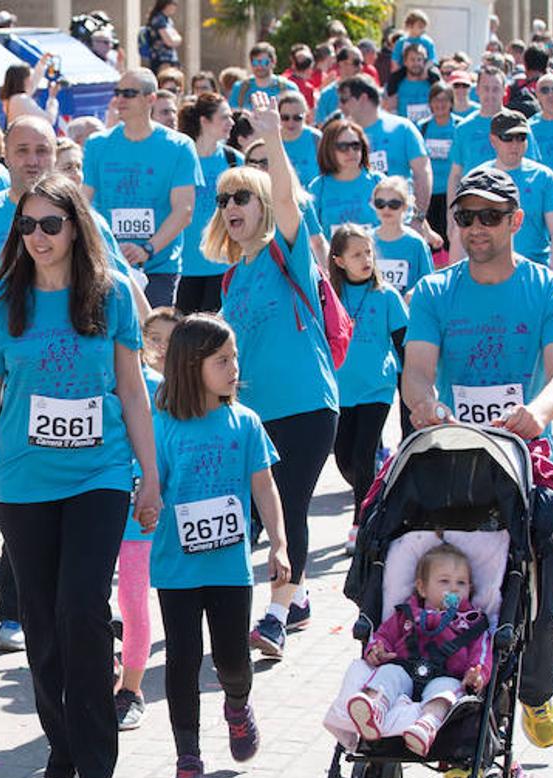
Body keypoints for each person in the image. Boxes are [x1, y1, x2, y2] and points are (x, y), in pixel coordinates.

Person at [0, 172, 158, 778]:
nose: (37, 236)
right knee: (41, 624)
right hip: (23, 482)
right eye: (26, 226)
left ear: (76, 228)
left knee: (82, 610)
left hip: (100, 475)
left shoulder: (110, 294)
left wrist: (150, 473)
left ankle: (95, 769)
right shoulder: (3, 299)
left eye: (50, 224)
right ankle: (60, 756)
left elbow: (133, 389)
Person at [403, 165, 553, 750]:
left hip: (526, 456)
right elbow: (417, 372)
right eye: (466, 216)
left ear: (516, 221)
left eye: (490, 217)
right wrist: (424, 403)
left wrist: (539, 414)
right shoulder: (433, 291)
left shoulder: (549, 289)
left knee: (544, 579)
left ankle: (537, 688)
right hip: (458, 455)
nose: (476, 227)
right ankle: (460, 720)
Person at [204, 95, 338, 658]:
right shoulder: (231, 280)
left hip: (307, 405)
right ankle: (298, 595)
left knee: (288, 504)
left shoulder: (288, 252)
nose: (232, 204)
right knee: (255, 511)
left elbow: (286, 195)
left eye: (242, 196)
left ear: (259, 205)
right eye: (224, 198)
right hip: (254, 417)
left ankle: (278, 613)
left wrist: (273, 140)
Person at [149, 313, 285, 778]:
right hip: (176, 567)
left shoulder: (244, 422)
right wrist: (143, 502)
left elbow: (264, 486)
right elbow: (151, 486)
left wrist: (281, 544)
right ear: (191, 365)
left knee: (231, 657)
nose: (234, 368)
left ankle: (237, 703)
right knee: (182, 660)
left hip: (229, 566)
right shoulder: (161, 426)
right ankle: (188, 759)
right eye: (222, 360)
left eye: (234, 358)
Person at [344, 543, 490, 755]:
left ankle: (426, 725)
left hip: (446, 675)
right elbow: (383, 635)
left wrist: (476, 673)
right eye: (444, 581)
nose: (454, 588)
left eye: (462, 583)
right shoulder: (406, 614)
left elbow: (482, 651)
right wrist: (377, 649)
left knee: (445, 692)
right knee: (387, 674)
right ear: (422, 588)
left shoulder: (470, 622)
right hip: (405, 670)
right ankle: (373, 710)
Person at [83, 68, 201, 308]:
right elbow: (83, 203)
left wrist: (147, 249)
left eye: (129, 93)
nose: (120, 99)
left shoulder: (179, 146)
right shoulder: (97, 144)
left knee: (154, 339)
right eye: (118, 93)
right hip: (108, 264)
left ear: (151, 99)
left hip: (159, 266)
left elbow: (184, 210)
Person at [112, 306, 174, 729]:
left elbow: (171, 452)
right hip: (87, 509)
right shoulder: (87, 383)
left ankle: (130, 689)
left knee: (134, 601)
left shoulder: (160, 390)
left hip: (141, 517)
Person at [328, 225, 407, 553]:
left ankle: (362, 524)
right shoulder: (331, 297)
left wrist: (410, 389)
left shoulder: (386, 295)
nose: (366, 259)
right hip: (342, 391)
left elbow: (403, 343)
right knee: (344, 458)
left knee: (362, 455)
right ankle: (376, 490)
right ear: (340, 260)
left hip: (378, 387)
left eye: (368, 252)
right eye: (356, 254)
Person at [451, 111, 553, 271]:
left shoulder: (543, 177)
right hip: (485, 273)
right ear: (493, 140)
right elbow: (461, 232)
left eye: (521, 137)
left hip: (533, 272)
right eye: (508, 138)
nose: (515, 144)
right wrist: (455, 278)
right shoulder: (477, 178)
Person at [337, 75, 433, 232]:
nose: (340, 106)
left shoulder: (403, 128)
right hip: (356, 231)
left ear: (363, 98)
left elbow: (423, 173)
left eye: (344, 99)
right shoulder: (341, 136)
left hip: (398, 227)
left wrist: (419, 218)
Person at [177, 93, 242, 314]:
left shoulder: (234, 160)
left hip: (224, 262)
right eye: (224, 117)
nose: (231, 123)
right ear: (204, 121)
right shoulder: (179, 157)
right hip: (183, 264)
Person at [448, 66, 544, 210]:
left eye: (496, 89)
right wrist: (451, 215)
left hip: (513, 204)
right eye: (486, 88)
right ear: (477, 90)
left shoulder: (518, 123)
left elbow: (532, 166)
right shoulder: (463, 128)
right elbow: (456, 174)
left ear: (504, 90)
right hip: (474, 205)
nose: (490, 94)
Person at [308, 118, 382, 235]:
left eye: (356, 145)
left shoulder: (378, 182)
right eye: (343, 147)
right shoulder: (318, 187)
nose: (351, 152)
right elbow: (311, 235)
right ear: (329, 150)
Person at [372, 175, 436, 298]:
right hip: (375, 312)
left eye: (394, 204)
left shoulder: (416, 243)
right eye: (380, 203)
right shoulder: (367, 240)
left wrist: (413, 294)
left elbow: (428, 282)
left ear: (405, 206)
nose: (386, 209)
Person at [420, 82, 461, 248]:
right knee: (432, 244)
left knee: (452, 240)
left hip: (452, 193)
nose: (440, 105)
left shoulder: (460, 126)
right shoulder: (422, 127)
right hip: (429, 195)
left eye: (444, 100)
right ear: (430, 103)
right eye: (436, 100)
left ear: (451, 102)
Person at [528, 73, 553, 218]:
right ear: (537, 95)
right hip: (540, 201)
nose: (550, 94)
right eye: (545, 90)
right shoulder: (529, 127)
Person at [229, 42, 300, 110]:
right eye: (255, 63)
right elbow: (233, 113)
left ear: (273, 62)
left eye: (264, 62)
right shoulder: (239, 88)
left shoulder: (288, 88)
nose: (259, 67)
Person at [384, 43, 439, 122]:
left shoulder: (432, 84)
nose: (416, 63)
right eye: (412, 60)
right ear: (405, 62)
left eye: (419, 60)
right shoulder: (396, 85)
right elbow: (388, 110)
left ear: (424, 62)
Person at [277, 92, 322, 185]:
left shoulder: (316, 139)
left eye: (297, 118)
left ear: (306, 115)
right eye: (285, 118)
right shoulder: (273, 139)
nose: (291, 123)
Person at [1, 61, 60, 127]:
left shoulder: (10, 99)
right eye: (29, 76)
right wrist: (52, 98)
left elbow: (32, 85)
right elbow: (48, 120)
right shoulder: (21, 100)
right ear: (24, 79)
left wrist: (42, 63)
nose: (30, 79)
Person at [314, 46, 363, 123]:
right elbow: (321, 124)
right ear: (342, 64)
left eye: (361, 63)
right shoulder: (327, 94)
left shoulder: (366, 91)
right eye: (356, 63)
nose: (360, 67)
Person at [143, 1, 182, 73]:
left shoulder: (168, 20)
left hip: (170, 59)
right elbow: (170, 41)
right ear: (166, 4)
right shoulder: (159, 19)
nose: (176, 7)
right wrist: (175, 39)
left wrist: (176, 39)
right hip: (162, 60)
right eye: (174, 4)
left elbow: (178, 38)